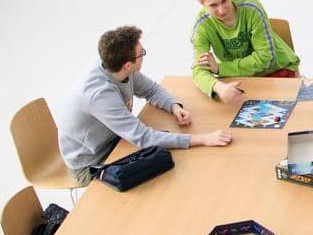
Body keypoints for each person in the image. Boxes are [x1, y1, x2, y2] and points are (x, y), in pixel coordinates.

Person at [57, 25, 233, 185]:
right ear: (127, 64)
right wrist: (203, 139)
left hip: (118, 140)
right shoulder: (100, 96)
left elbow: (151, 90)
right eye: (142, 53)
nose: (144, 55)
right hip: (93, 162)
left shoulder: (117, 67)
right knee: (164, 175)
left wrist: (174, 106)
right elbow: (144, 138)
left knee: (174, 162)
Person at [190, 0, 299, 105]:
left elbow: (265, 58)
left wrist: (220, 69)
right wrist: (218, 87)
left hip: (277, 69)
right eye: (213, 5)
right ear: (201, 3)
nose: (222, 10)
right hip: (241, 78)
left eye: (224, 0)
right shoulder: (201, 25)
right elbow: (198, 69)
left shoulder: (251, 8)